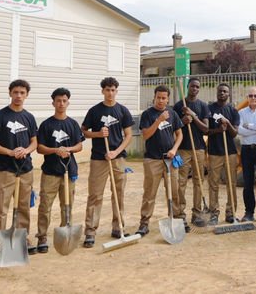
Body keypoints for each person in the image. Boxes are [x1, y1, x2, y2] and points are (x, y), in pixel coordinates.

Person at [0, 79, 38, 261]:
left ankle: (22, 239)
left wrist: (26, 150)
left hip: (25, 170)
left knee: (23, 207)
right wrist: (9, 152)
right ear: (10, 93)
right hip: (5, 169)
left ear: (27, 95)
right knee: (0, 208)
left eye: (22, 93)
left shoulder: (29, 117)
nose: (19, 96)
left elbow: (34, 142)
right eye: (15, 92)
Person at [81, 77, 135, 248]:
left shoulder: (122, 111)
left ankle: (118, 227)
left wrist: (116, 152)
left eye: (113, 90)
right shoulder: (95, 111)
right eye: (107, 90)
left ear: (116, 91)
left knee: (118, 193)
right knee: (95, 195)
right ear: (102, 91)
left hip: (117, 158)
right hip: (99, 158)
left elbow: (128, 136)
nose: (110, 93)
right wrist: (97, 134)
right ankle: (90, 231)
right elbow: (84, 132)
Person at [34, 87, 84, 254]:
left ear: (68, 102)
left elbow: (79, 145)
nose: (61, 103)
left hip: (69, 171)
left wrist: (68, 149)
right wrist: (56, 150)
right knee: (45, 205)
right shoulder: (47, 125)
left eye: (64, 100)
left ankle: (65, 231)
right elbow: (40, 148)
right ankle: (41, 236)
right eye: (58, 101)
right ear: (53, 103)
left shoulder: (73, 124)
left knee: (67, 204)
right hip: (50, 171)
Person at [136, 85, 184, 236]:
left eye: (164, 98)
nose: (161, 101)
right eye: (158, 98)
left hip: (170, 159)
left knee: (174, 191)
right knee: (150, 193)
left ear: (168, 99)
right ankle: (144, 223)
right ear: (154, 97)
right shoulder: (147, 114)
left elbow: (180, 135)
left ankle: (177, 218)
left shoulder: (173, 113)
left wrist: (174, 149)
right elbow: (146, 135)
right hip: (153, 160)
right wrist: (158, 120)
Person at [173, 77, 210, 227]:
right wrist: (183, 121)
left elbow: (205, 128)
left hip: (199, 148)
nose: (194, 89)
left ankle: (197, 213)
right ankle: (180, 213)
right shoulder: (178, 105)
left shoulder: (203, 106)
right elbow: (173, 127)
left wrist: (193, 116)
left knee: (198, 181)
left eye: (197, 87)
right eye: (192, 86)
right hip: (182, 149)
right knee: (181, 181)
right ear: (187, 87)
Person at [205, 82, 240, 224]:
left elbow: (234, 133)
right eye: (220, 91)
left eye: (225, 91)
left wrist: (227, 124)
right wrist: (218, 130)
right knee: (213, 183)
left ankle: (231, 213)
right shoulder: (209, 109)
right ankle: (214, 213)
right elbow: (206, 130)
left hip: (230, 152)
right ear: (217, 92)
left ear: (229, 94)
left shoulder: (233, 111)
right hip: (214, 152)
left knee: (231, 183)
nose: (222, 93)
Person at [236, 87, 256, 222]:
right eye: (251, 96)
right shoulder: (241, 113)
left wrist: (249, 126)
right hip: (247, 150)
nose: (253, 98)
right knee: (248, 182)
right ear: (247, 97)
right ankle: (249, 212)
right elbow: (240, 130)